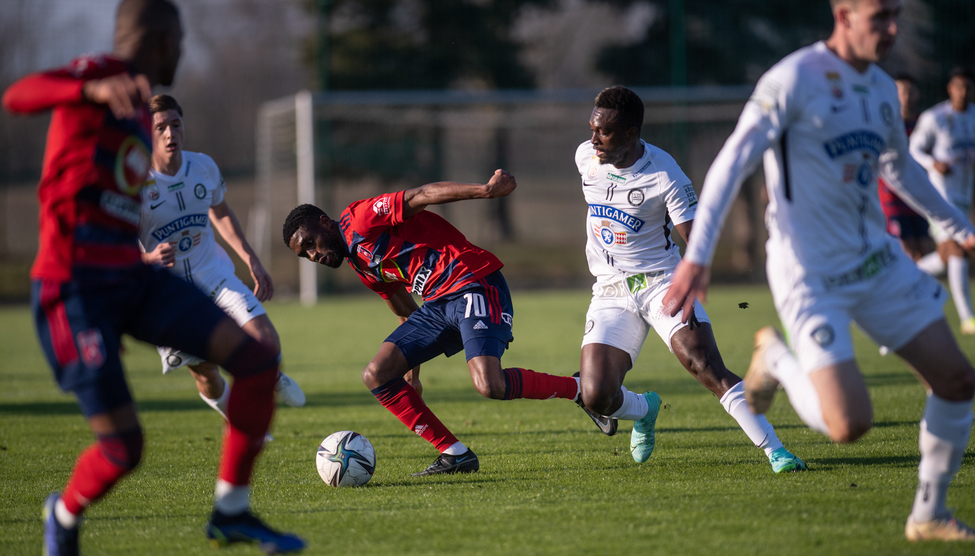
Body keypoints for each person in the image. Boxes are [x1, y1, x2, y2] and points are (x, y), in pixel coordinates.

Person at [663, 0, 975, 542]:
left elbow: (900, 168)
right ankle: (776, 359)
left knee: (957, 380)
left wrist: (962, 229)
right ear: (844, 15)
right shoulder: (793, 79)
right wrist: (698, 255)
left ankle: (929, 514)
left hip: (876, 261)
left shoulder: (881, 88)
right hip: (809, 272)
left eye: (896, 15)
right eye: (879, 16)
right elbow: (733, 161)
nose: (892, 28)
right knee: (849, 424)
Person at [1, 1, 305, 554]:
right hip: (74, 287)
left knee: (259, 360)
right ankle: (63, 515)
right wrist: (88, 89)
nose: (183, 52)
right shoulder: (99, 74)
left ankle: (232, 512)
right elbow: (17, 96)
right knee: (124, 448)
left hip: (131, 280)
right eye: (180, 42)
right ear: (164, 41)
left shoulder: (143, 112)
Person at [282, 172, 581, 476]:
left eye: (310, 243)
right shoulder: (363, 268)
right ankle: (455, 454)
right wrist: (412, 375)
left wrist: (486, 191)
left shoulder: (359, 219)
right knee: (377, 374)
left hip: (470, 281)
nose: (313, 255)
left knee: (490, 385)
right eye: (305, 254)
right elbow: (406, 313)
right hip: (438, 305)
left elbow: (422, 195)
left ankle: (580, 389)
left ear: (324, 222)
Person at [573, 86, 805, 472]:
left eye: (604, 132)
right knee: (596, 395)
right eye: (592, 129)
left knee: (705, 365)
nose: (594, 139)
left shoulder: (665, 174)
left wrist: (693, 281)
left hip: (662, 283)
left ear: (631, 134)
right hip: (610, 289)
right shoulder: (586, 157)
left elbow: (697, 238)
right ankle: (645, 409)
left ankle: (777, 452)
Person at [139, 94, 305, 423]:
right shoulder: (134, 183)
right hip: (169, 291)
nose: (171, 133)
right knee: (207, 373)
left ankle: (269, 378)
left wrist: (251, 260)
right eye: (161, 127)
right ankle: (240, 421)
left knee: (266, 339)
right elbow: (117, 245)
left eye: (176, 124)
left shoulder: (203, 166)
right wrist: (150, 257)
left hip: (213, 273)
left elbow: (222, 212)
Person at [910, 67, 975, 335]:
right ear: (950, 89)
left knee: (946, 257)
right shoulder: (935, 117)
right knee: (957, 248)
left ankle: (905, 273)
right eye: (958, 87)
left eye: (968, 87)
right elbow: (914, 149)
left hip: (964, 195)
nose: (963, 92)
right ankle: (968, 319)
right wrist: (933, 163)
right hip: (938, 196)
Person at [878, 74, 934, 262]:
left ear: (918, 94)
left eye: (910, 91)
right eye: (901, 91)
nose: (906, 96)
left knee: (925, 250)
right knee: (906, 251)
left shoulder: (925, 124)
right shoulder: (886, 121)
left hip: (920, 194)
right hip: (893, 197)